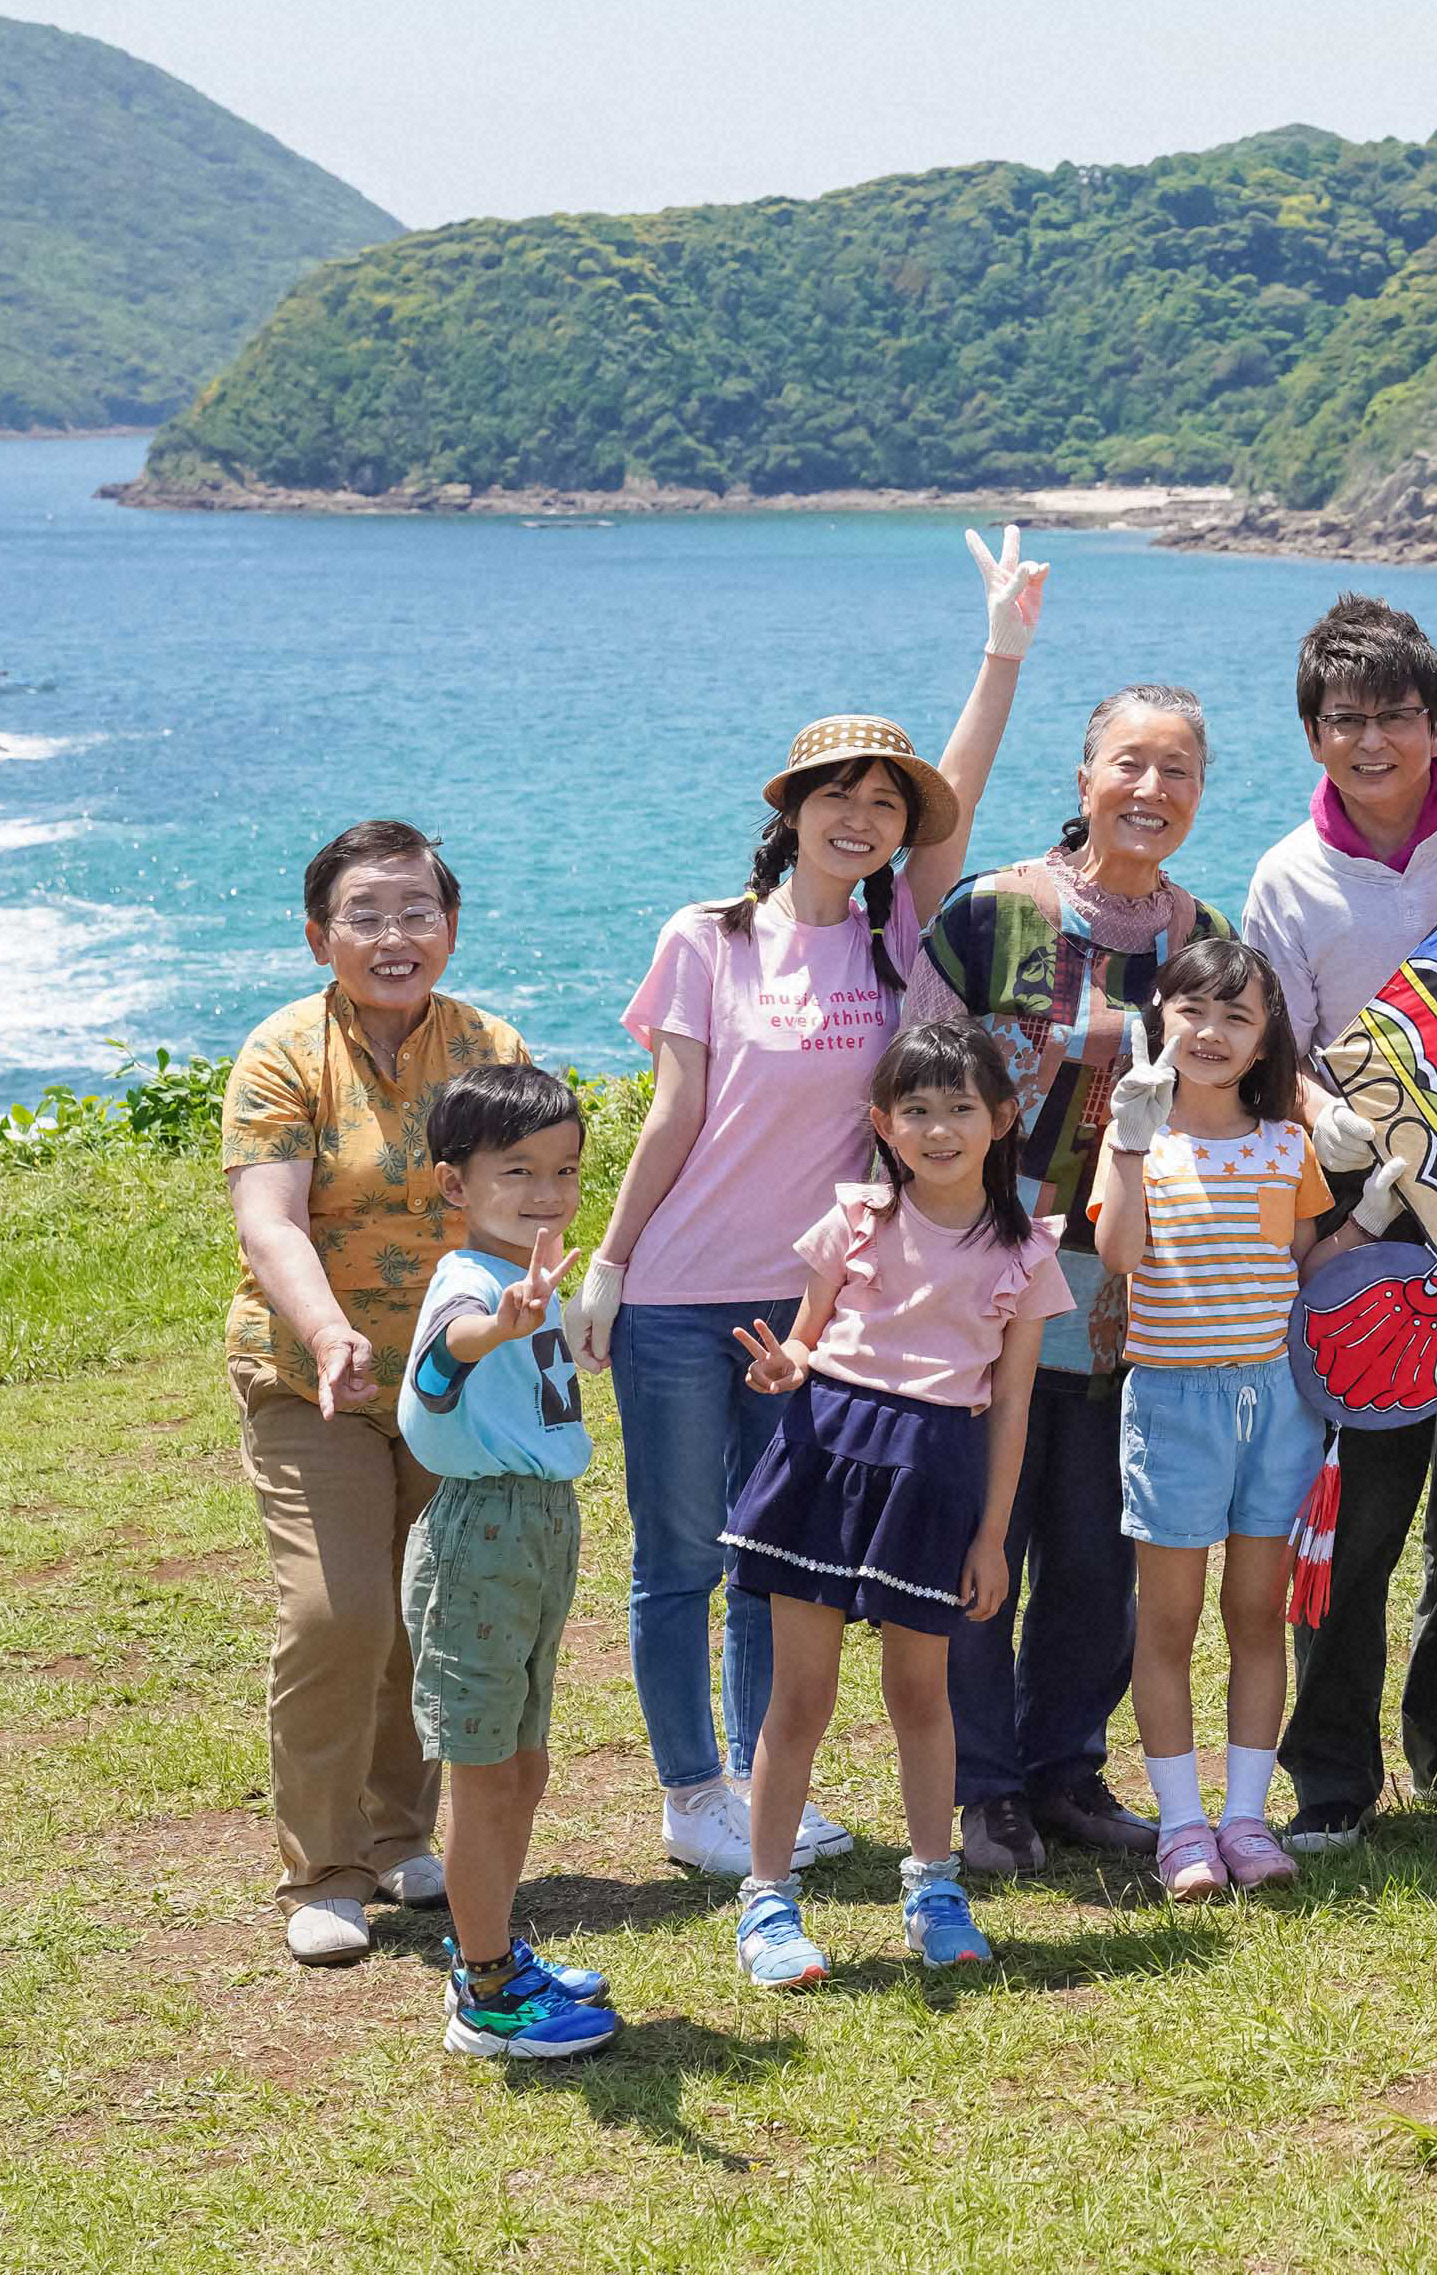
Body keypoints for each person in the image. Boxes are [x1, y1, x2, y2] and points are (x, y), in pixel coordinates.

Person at [576, 537, 1040, 1876]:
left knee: (763, 1549)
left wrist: (1001, 645)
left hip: (815, 1303)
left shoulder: (901, 940)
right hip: (677, 1296)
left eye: (883, 805)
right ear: (792, 810)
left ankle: (753, 1790)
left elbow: (965, 796)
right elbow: (673, 1115)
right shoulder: (707, 936)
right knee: (675, 1554)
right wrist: (610, 1261)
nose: (863, 819)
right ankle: (689, 1792)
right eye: (837, 796)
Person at [915, 684, 1236, 1875]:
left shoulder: (1200, 930)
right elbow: (910, 1084)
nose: (1150, 792)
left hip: (1129, 1284)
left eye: (1178, 773)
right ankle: (983, 1786)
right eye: (1129, 766)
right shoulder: (995, 910)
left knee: (1098, 1544)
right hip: (986, 1270)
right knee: (981, 1534)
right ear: (1084, 773)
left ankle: (1063, 1768)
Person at [1241, 596, 1437, 1851]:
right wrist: (1343, 1131)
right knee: (1357, 1507)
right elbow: (1273, 1049)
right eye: (1345, 720)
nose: (1373, 742)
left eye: (1397, 717)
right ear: (1313, 732)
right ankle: (1329, 1770)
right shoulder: (1285, 875)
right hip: (1367, 1229)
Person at [222, 820, 531, 1966]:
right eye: (365, 914)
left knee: (428, 1609)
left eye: (417, 911)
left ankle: (404, 1836)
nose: (393, 936)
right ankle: (324, 1865)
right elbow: (269, 1218)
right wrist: (328, 1328)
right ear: (318, 936)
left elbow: (525, 1198)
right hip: (313, 1378)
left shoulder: (488, 1042)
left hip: (455, 1379)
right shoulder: (282, 1052)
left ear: (449, 927)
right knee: (336, 1611)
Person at [720, 1021, 1069, 1986]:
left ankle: (933, 1886)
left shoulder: (1028, 1252)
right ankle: (767, 1899)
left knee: (923, 1693)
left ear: (1003, 1120)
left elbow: (1011, 1409)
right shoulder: (854, 1221)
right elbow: (804, 1341)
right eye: (915, 1109)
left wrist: (993, 1535)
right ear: (883, 1121)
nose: (939, 1127)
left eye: (961, 1107)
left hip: (937, 1471)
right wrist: (784, 1367)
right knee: (801, 1695)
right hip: (822, 1453)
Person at [1091, 939, 1391, 1897]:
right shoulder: (1136, 1134)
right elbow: (1120, 1253)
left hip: (1279, 1403)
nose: (1212, 1033)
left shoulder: (1285, 1145)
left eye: (1237, 1017)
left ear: (1267, 1042)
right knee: (1169, 1620)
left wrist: (1370, 1219)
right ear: (1159, 1022)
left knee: (1257, 1613)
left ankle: (1246, 1818)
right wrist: (1132, 1146)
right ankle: (1182, 1825)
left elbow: (1303, 1270)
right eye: (1192, 1012)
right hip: (1174, 1400)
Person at [392, 1063, 619, 2056]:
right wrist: (504, 1327)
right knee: (486, 1776)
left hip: (538, 1526)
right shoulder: (470, 1284)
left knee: (522, 1766)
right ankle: (484, 1994)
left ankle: (496, 1949)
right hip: (480, 1535)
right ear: (455, 1185)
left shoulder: (533, 1279)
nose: (546, 1193)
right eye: (517, 1170)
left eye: (564, 1171)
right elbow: (446, 1356)